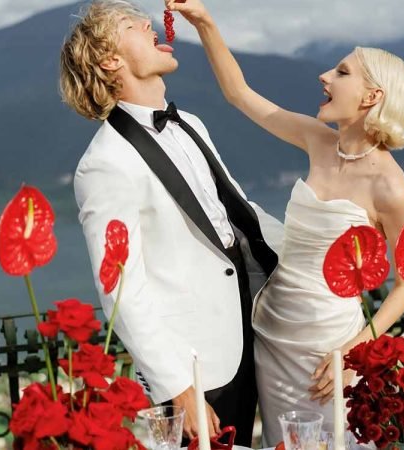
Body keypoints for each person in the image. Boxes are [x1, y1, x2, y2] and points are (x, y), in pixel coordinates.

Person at [166, 0, 404, 444]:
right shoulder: (319, 141)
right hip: (271, 335)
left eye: (341, 73)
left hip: (328, 352)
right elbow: (238, 94)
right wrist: (204, 22)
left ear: (372, 96)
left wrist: (352, 351)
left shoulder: (390, 185)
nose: (324, 76)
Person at [59, 1, 282, 445]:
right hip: (193, 367)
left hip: (243, 338)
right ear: (110, 60)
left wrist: (320, 243)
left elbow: (238, 216)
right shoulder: (104, 164)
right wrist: (179, 388)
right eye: (130, 24)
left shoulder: (191, 123)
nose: (148, 22)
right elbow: (122, 291)